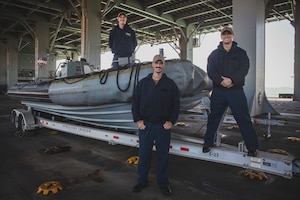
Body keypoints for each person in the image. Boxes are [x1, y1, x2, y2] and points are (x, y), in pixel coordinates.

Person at [202, 26, 259, 157]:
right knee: (213, 118)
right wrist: (221, 81)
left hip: (236, 91)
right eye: (224, 34)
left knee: (243, 118)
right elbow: (211, 70)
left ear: (232, 35)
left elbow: (244, 69)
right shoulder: (214, 55)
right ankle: (207, 143)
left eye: (229, 34)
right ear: (221, 37)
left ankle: (252, 147)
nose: (226, 36)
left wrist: (232, 80)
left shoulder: (241, 53)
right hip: (219, 91)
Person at [131, 54, 180, 196]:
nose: (158, 65)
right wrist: (138, 120)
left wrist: (171, 121)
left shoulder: (170, 84)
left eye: (161, 63)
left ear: (163, 65)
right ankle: (142, 181)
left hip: (162, 126)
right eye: (156, 63)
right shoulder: (143, 83)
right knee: (144, 155)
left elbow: (176, 105)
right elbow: (135, 102)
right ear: (152, 65)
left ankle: (163, 184)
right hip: (146, 125)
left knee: (163, 157)